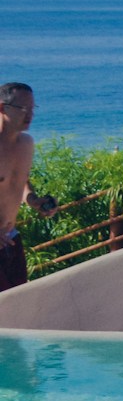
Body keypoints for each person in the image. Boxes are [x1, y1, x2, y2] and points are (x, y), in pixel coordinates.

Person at [0, 83, 56, 291]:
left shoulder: (26, 144)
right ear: (2, 108)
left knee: (18, 303)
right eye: (23, 108)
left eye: (33, 108)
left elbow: (19, 180)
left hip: (11, 239)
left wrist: (34, 200)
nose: (30, 114)